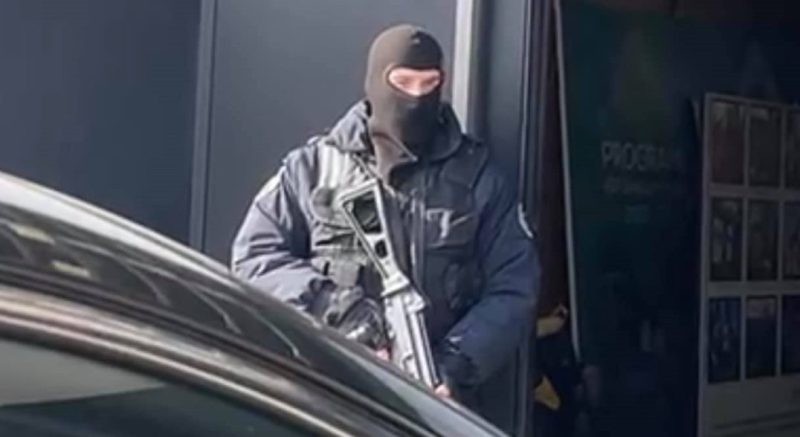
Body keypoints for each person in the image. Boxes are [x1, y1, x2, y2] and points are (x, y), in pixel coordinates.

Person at [231, 23, 539, 431]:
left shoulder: (478, 177)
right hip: (330, 396)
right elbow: (256, 257)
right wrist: (341, 310)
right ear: (376, 82)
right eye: (403, 82)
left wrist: (456, 364)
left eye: (429, 84)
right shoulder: (315, 168)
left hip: (435, 402)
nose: (416, 98)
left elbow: (514, 285)